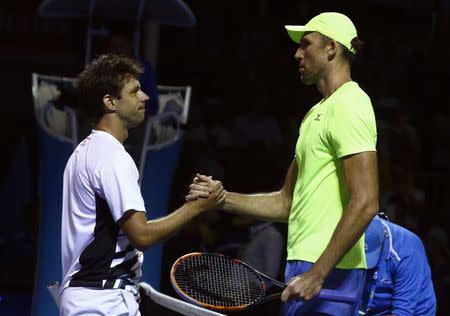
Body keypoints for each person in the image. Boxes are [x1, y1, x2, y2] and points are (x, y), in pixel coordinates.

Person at [188, 12, 378, 315]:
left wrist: (319, 272)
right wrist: (221, 199)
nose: (297, 53)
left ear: (331, 48)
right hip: (304, 267)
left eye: (306, 44)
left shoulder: (351, 104)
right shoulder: (314, 115)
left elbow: (366, 201)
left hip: (331, 271)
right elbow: (285, 203)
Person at [59, 54, 225, 316]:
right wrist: (196, 208)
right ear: (110, 101)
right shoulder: (112, 156)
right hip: (104, 302)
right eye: (135, 91)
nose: (145, 97)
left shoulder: (84, 152)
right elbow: (142, 235)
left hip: (89, 297)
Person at [360, 215, 436, 315]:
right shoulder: (350, 236)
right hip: (371, 307)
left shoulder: (408, 250)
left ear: (383, 239)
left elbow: (403, 312)